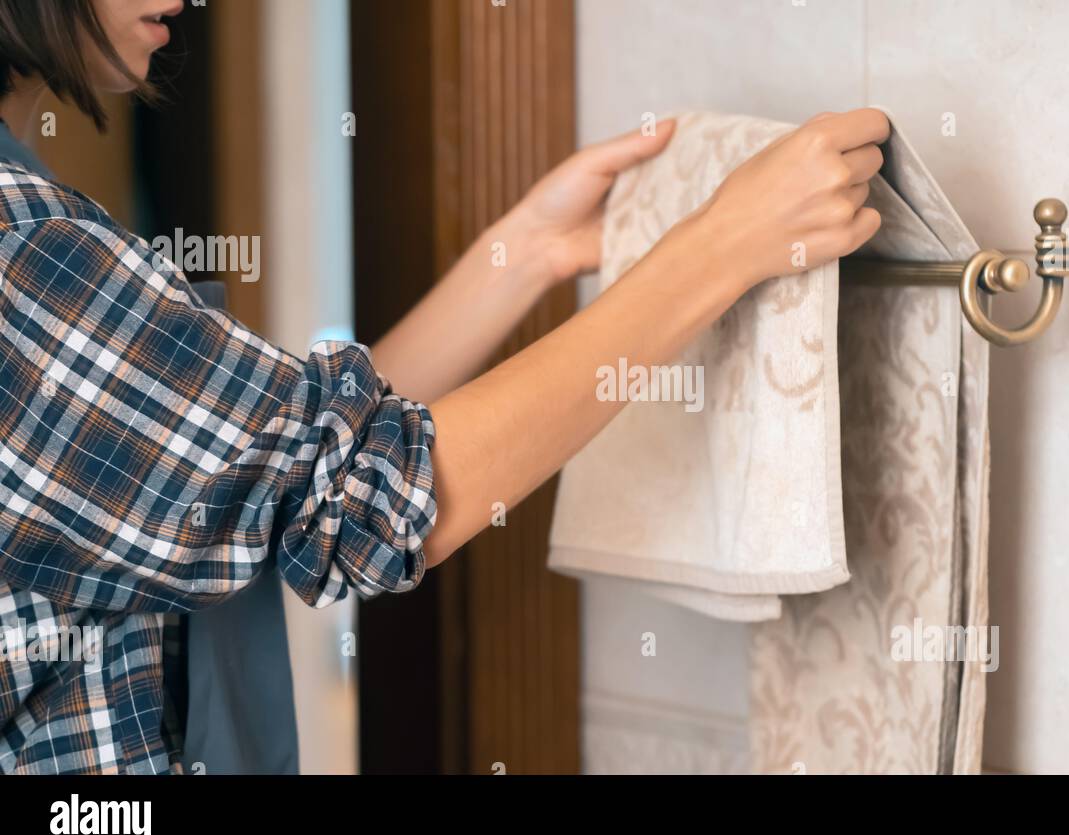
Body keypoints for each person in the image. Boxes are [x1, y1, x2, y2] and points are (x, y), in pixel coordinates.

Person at [0, 0, 887, 774]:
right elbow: (353, 504)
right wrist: (718, 248)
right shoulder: (23, 248)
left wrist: (525, 253)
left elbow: (271, 469)